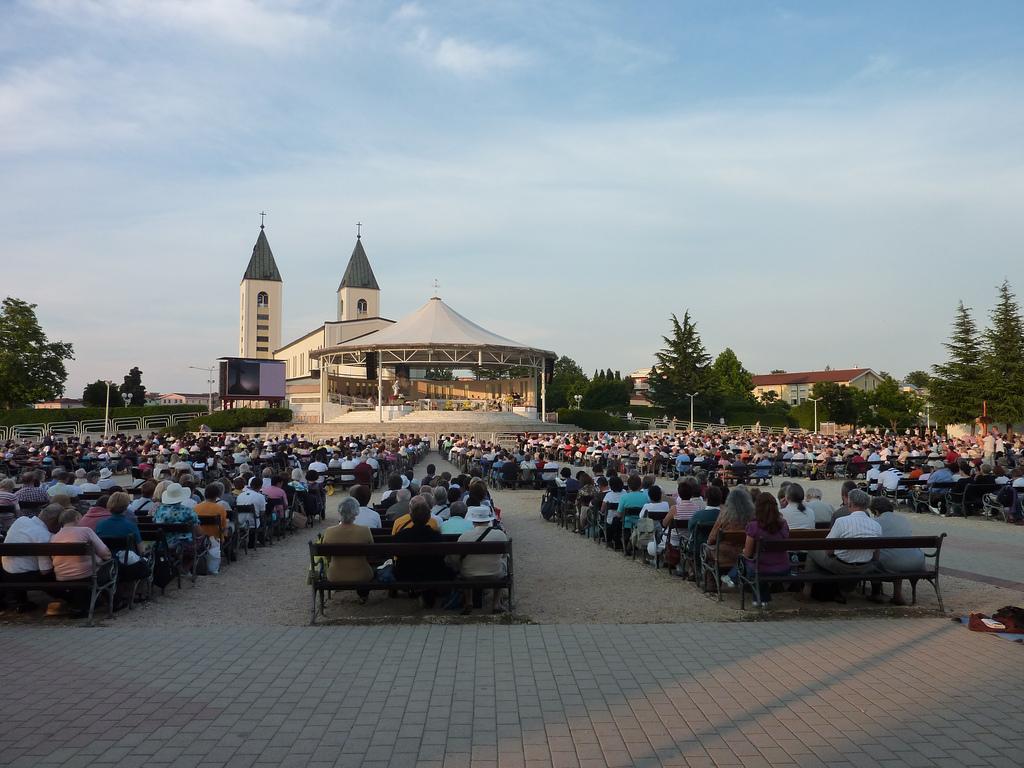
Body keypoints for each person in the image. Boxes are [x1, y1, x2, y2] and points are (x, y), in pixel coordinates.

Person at [801, 489, 880, 600]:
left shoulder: (841, 521)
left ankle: (807, 590)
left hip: (841, 567)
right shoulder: (876, 525)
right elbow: (876, 556)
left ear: (850, 503)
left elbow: (828, 549)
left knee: (812, 550)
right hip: (865, 567)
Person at [50, 507, 113, 616]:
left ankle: (82, 606)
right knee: (110, 566)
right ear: (77, 518)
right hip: (87, 574)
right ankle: (115, 602)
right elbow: (105, 553)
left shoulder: (54, 537)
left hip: (62, 576)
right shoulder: (86, 531)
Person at [0, 504, 61, 612]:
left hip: (6, 572)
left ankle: (20, 601)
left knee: (20, 565)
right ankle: (69, 598)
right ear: (53, 521)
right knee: (56, 573)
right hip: (26, 576)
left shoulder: (21, 521)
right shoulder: (44, 535)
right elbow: (45, 571)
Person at [393, 498, 452, 607]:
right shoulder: (436, 536)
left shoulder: (402, 536)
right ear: (429, 517)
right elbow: (442, 556)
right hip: (433, 573)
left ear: (411, 516)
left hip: (405, 573)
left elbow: (395, 554)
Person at [868, 496, 925, 606]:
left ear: (876, 511)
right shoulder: (903, 520)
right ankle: (897, 595)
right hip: (917, 563)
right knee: (895, 553)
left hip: (894, 564)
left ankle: (875, 593)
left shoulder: (875, 522)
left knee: (876, 558)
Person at [738, 493, 791, 607]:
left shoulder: (753, 526)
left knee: (748, 562)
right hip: (783, 567)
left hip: (760, 568)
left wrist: (743, 552)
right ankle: (763, 600)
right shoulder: (783, 524)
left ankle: (759, 598)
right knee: (759, 564)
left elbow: (747, 553)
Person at [454, 505, 509, 614]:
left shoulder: (464, 536)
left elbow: (456, 557)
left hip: (469, 575)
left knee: (466, 564)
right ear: (488, 519)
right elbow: (503, 555)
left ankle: (469, 602)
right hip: (495, 574)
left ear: (473, 521)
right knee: (502, 562)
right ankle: (496, 603)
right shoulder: (499, 534)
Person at [321, 497, 375, 603]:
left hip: (335, 575)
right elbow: (371, 553)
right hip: (362, 575)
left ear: (339, 511)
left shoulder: (329, 532)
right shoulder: (365, 531)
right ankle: (363, 595)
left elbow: (327, 557)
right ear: (356, 512)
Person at [95, 492, 150, 593]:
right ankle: (140, 590)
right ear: (126, 507)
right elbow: (141, 550)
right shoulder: (130, 525)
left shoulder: (100, 525)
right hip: (127, 565)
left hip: (107, 563)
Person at [709, 486, 755, 587]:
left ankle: (712, 582)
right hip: (746, 552)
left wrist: (709, 542)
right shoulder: (753, 515)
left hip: (723, 554)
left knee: (707, 551)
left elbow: (712, 537)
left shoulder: (724, 515)